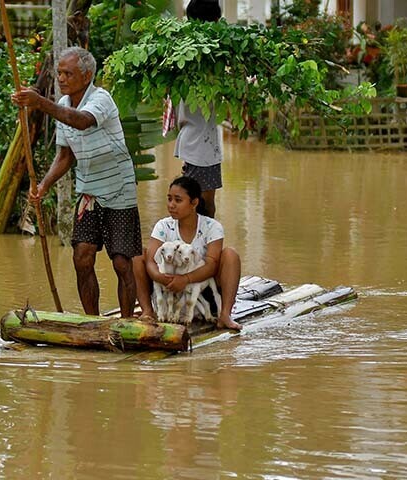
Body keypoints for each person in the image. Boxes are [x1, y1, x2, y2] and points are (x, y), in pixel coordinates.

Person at [11, 47, 141, 317]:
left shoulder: (101, 99)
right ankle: (92, 322)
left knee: (121, 262)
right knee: (82, 258)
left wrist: (40, 103)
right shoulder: (65, 107)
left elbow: (82, 122)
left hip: (118, 188)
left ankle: (127, 321)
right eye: (59, 73)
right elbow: (65, 156)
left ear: (87, 75)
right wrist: (43, 186)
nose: (61, 78)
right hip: (89, 192)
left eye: (68, 73)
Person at [134, 176, 242, 330]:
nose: (171, 205)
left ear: (194, 203)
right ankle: (148, 311)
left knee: (231, 255)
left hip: (201, 291)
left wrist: (185, 279)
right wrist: (161, 278)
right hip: (168, 290)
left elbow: (212, 264)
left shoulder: (212, 227)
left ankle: (224, 314)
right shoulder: (163, 226)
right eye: (169, 199)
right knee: (137, 255)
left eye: (178, 200)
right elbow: (151, 261)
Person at [173, 0, 224, 218]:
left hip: (198, 141)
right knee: (202, 204)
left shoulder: (183, 54)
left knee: (200, 203)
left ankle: (201, 247)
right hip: (200, 144)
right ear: (215, 21)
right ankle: (202, 248)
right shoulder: (208, 58)